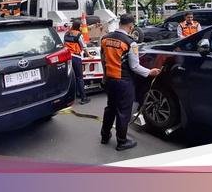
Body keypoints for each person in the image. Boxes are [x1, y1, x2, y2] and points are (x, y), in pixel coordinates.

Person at [100, 14, 160, 151]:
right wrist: (150, 72)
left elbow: (103, 60)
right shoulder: (131, 43)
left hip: (109, 79)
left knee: (110, 108)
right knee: (123, 111)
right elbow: (135, 67)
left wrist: (104, 77)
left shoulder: (105, 38)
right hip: (123, 82)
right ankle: (122, 141)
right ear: (131, 26)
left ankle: (104, 135)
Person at [64, 20, 90, 105]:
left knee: (71, 77)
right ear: (78, 27)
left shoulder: (66, 34)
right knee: (79, 78)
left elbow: (64, 44)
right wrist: (89, 55)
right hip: (76, 57)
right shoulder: (79, 35)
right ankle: (83, 98)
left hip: (67, 57)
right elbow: (84, 46)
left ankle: (70, 97)